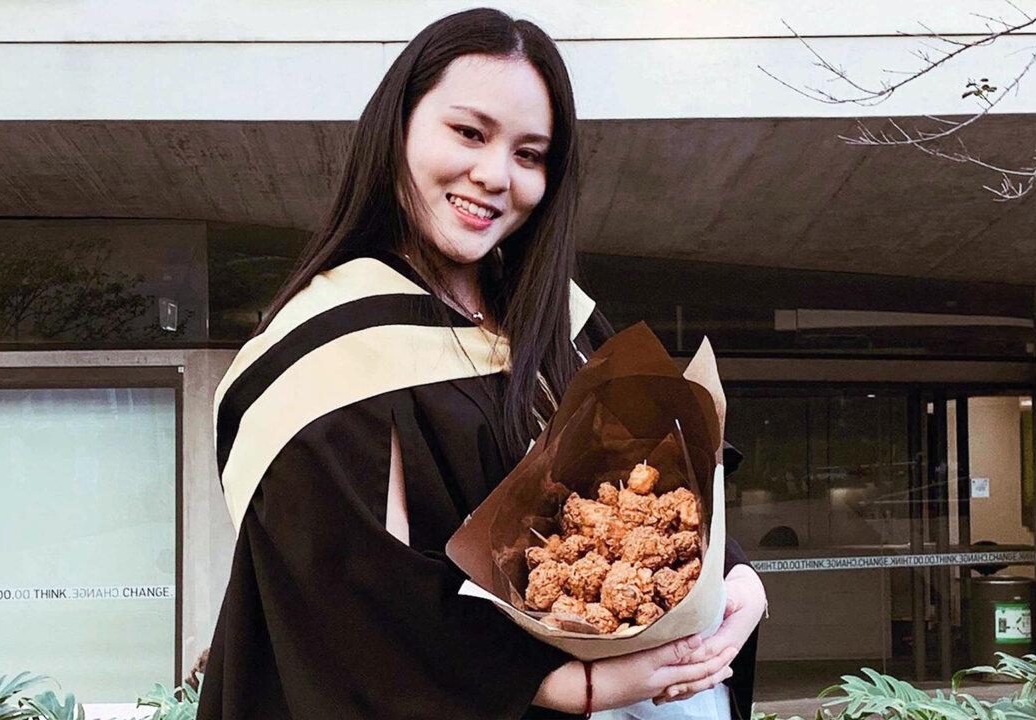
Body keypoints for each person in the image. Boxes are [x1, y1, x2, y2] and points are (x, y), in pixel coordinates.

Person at [197, 8, 766, 720]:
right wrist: (570, 685)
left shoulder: (557, 318)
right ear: (398, 125)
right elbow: (358, 600)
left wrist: (738, 579)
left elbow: (642, 493)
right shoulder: (324, 354)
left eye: (530, 155)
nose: (495, 174)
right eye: (469, 132)